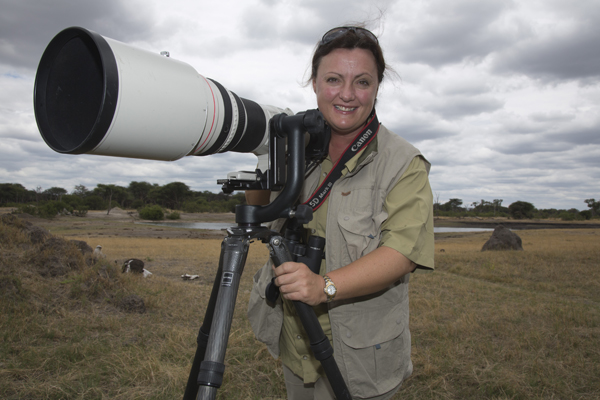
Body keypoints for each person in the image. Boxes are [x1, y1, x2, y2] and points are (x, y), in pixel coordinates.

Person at [247, 25, 435, 400]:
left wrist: (324, 286)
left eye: (362, 82)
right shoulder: (296, 148)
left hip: (361, 357)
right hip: (296, 345)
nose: (347, 94)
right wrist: (265, 152)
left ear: (377, 87)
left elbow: (403, 253)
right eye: (333, 79)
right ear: (314, 83)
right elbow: (258, 213)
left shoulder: (402, 162)